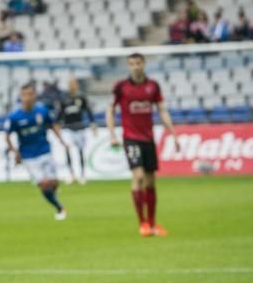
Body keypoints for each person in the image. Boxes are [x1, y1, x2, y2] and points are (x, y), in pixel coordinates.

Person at [106, 53, 179, 237]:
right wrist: (112, 134)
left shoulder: (153, 86)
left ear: (144, 64)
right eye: (132, 64)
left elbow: (162, 110)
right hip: (131, 138)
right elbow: (110, 108)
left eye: (139, 63)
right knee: (138, 176)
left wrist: (174, 134)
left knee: (150, 180)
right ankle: (142, 223)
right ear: (128, 66)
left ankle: (153, 223)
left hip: (148, 139)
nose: (136, 67)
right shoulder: (121, 87)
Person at [4, 82, 70, 220]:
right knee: (44, 184)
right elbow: (7, 136)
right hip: (28, 156)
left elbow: (53, 126)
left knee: (53, 182)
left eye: (29, 94)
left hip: (45, 151)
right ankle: (59, 208)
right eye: (23, 95)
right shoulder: (15, 116)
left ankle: (54, 190)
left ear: (34, 95)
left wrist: (62, 141)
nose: (26, 98)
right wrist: (15, 153)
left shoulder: (42, 111)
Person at [58, 78, 95, 184]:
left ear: (77, 85)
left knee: (80, 151)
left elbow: (88, 110)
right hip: (67, 128)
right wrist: (57, 124)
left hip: (79, 128)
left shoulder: (81, 97)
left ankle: (82, 174)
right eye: (70, 84)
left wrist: (92, 123)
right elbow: (60, 113)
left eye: (74, 84)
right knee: (68, 150)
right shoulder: (64, 98)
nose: (72, 86)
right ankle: (71, 174)